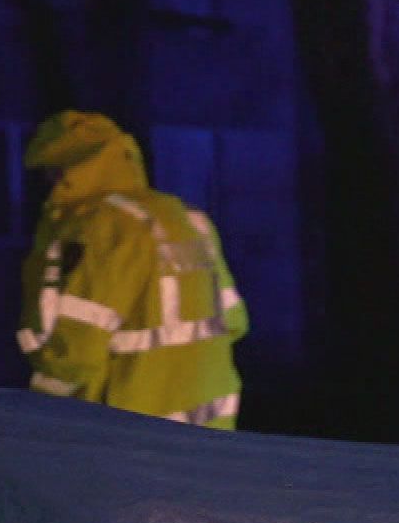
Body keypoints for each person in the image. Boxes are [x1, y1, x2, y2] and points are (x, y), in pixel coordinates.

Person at [18, 111, 248, 428]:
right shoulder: (188, 217)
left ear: (65, 171)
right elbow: (234, 320)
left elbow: (76, 351)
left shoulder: (98, 226)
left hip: (131, 437)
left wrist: (34, 411)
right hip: (210, 427)